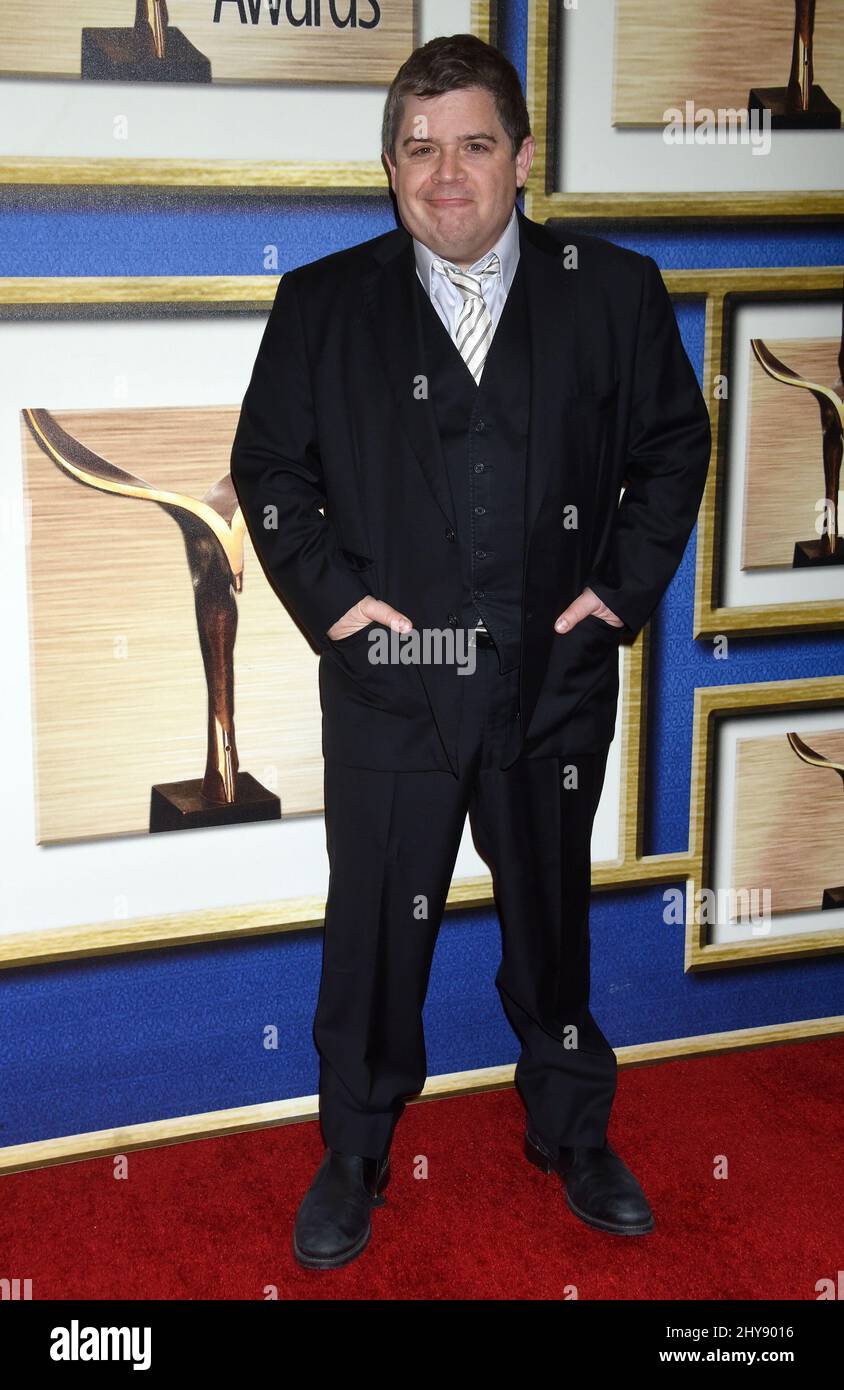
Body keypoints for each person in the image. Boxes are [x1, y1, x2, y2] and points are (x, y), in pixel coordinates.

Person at [230, 32, 711, 1271]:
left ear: (522, 158)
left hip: (552, 690)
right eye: (419, 148)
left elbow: (671, 449)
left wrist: (614, 591)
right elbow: (271, 473)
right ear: (390, 166)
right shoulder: (323, 305)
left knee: (552, 922)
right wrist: (337, 606)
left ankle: (571, 1129)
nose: (446, 175)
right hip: (393, 696)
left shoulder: (610, 291)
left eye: (473, 145)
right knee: (377, 937)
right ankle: (356, 1149)